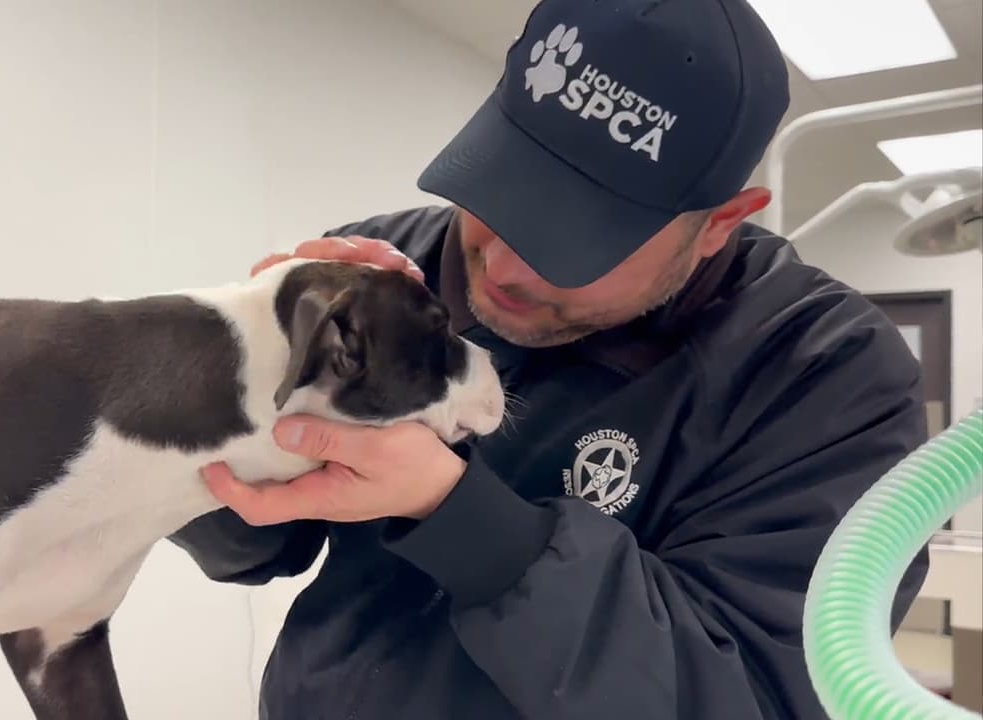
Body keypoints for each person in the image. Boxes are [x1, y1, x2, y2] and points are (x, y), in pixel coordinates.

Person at [168, 0, 931, 717]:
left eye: (577, 236)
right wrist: (237, 392)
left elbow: (756, 695)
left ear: (717, 225)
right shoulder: (395, 266)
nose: (499, 267)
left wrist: (460, 519)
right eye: (501, 195)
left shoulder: (827, 376)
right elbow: (252, 546)